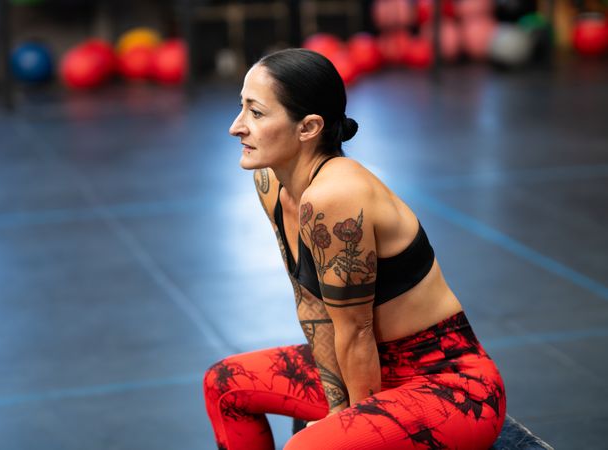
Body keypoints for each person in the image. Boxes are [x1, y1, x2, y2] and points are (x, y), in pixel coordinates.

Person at [203, 48, 506, 450]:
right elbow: (311, 305)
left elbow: (357, 331)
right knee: (224, 384)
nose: (236, 127)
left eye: (256, 113)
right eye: (242, 108)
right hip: (372, 367)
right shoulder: (271, 182)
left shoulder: (335, 196)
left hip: (448, 384)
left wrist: (347, 427)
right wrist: (335, 405)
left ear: (308, 127)